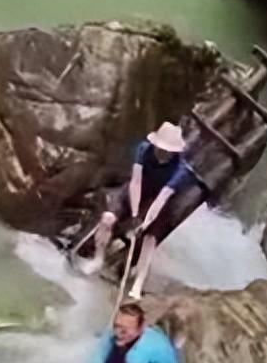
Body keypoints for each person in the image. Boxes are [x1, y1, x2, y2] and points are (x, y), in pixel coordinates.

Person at [77, 121, 193, 299]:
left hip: (157, 200)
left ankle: (138, 282)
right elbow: (136, 181)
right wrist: (134, 214)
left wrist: (145, 222)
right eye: (159, 147)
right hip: (137, 190)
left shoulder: (180, 169)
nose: (161, 151)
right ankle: (98, 259)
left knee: (149, 239)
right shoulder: (143, 149)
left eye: (166, 149)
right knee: (107, 218)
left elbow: (162, 197)